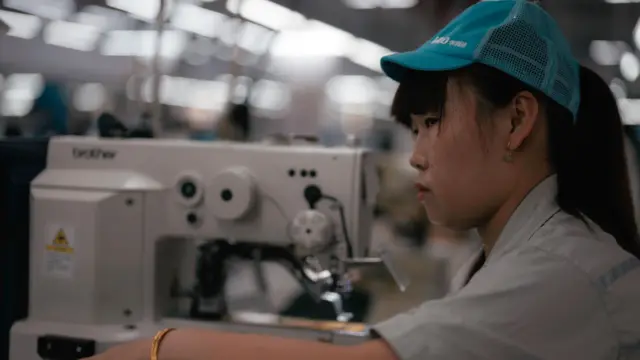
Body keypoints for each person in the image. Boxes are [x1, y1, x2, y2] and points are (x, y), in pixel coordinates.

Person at [87, 1, 640, 359]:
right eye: (414, 129)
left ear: (517, 120)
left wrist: (154, 349)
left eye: (432, 124)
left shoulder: (557, 276)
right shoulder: (530, 253)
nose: (417, 157)